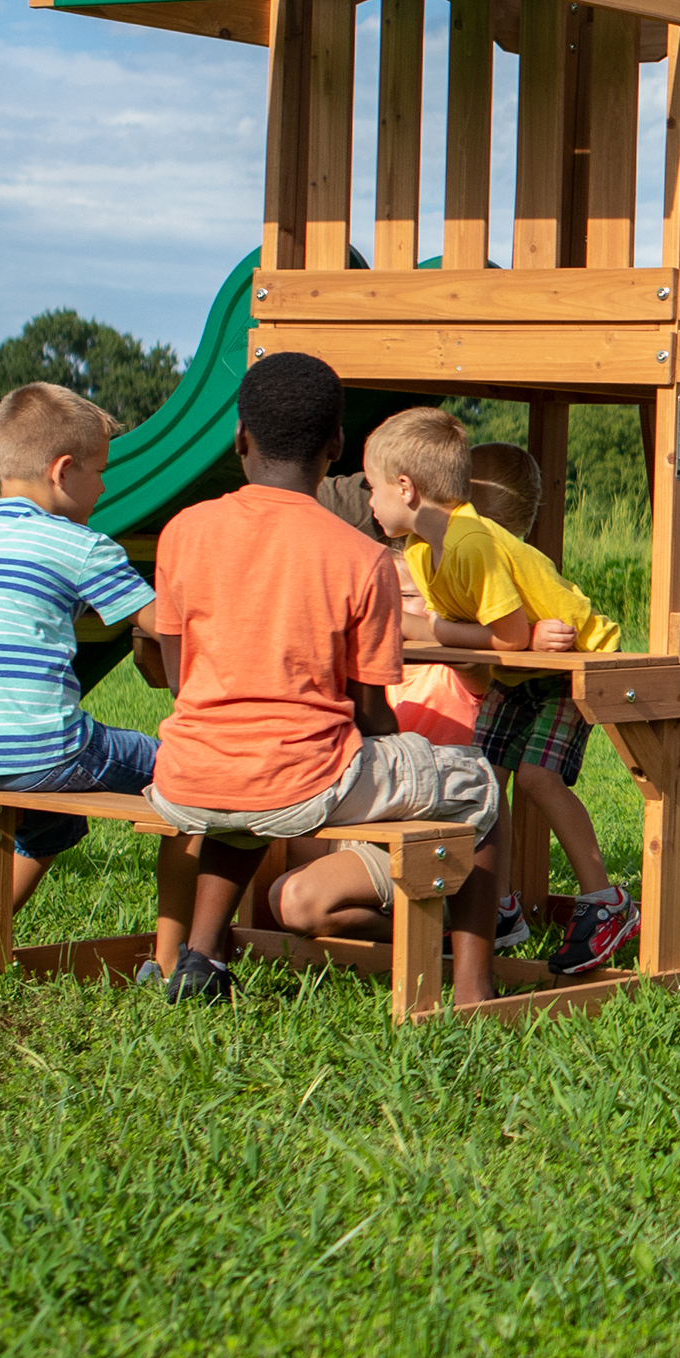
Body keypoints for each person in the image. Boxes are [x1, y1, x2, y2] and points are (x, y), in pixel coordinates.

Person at [138, 353, 503, 1008]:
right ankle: (474, 986)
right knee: (477, 783)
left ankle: (202, 958)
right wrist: (398, 758)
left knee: (246, 787)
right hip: (299, 784)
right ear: (335, 446)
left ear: (240, 439)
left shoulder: (182, 532)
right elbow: (370, 714)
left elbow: (177, 677)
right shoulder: (362, 558)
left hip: (186, 778)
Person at [359, 407, 635, 978]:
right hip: (519, 668)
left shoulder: (470, 542)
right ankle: (502, 906)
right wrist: (446, 628)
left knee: (536, 777)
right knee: (484, 776)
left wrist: (482, 632)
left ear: (406, 489)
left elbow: (504, 636)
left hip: (571, 663)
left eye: (373, 487)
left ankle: (606, 902)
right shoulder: (421, 550)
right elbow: (445, 627)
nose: (369, 501)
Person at [0, 382, 157, 984]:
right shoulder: (82, 546)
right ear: (63, 471)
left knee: (54, 825)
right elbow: (168, 623)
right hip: (39, 750)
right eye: (100, 472)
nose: (104, 488)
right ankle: (183, 952)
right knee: (189, 766)